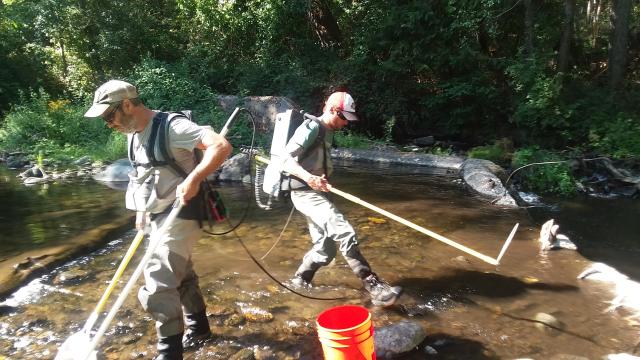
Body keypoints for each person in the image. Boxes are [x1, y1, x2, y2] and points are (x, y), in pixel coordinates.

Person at [84, 80, 232, 360]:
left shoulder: (172, 127)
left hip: (182, 211)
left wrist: (194, 178)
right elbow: (144, 175)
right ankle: (199, 329)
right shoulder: (132, 133)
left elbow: (220, 145)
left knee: (158, 282)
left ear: (127, 105)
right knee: (182, 274)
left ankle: (169, 353)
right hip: (157, 213)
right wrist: (142, 211)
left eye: (109, 115)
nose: (108, 123)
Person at [283, 91, 402, 306]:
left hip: (317, 193)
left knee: (325, 251)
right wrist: (310, 178)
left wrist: (320, 179)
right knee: (344, 231)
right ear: (332, 110)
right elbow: (286, 160)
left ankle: (299, 280)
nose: (346, 123)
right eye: (344, 117)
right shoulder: (312, 128)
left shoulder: (328, 131)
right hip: (304, 193)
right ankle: (373, 286)